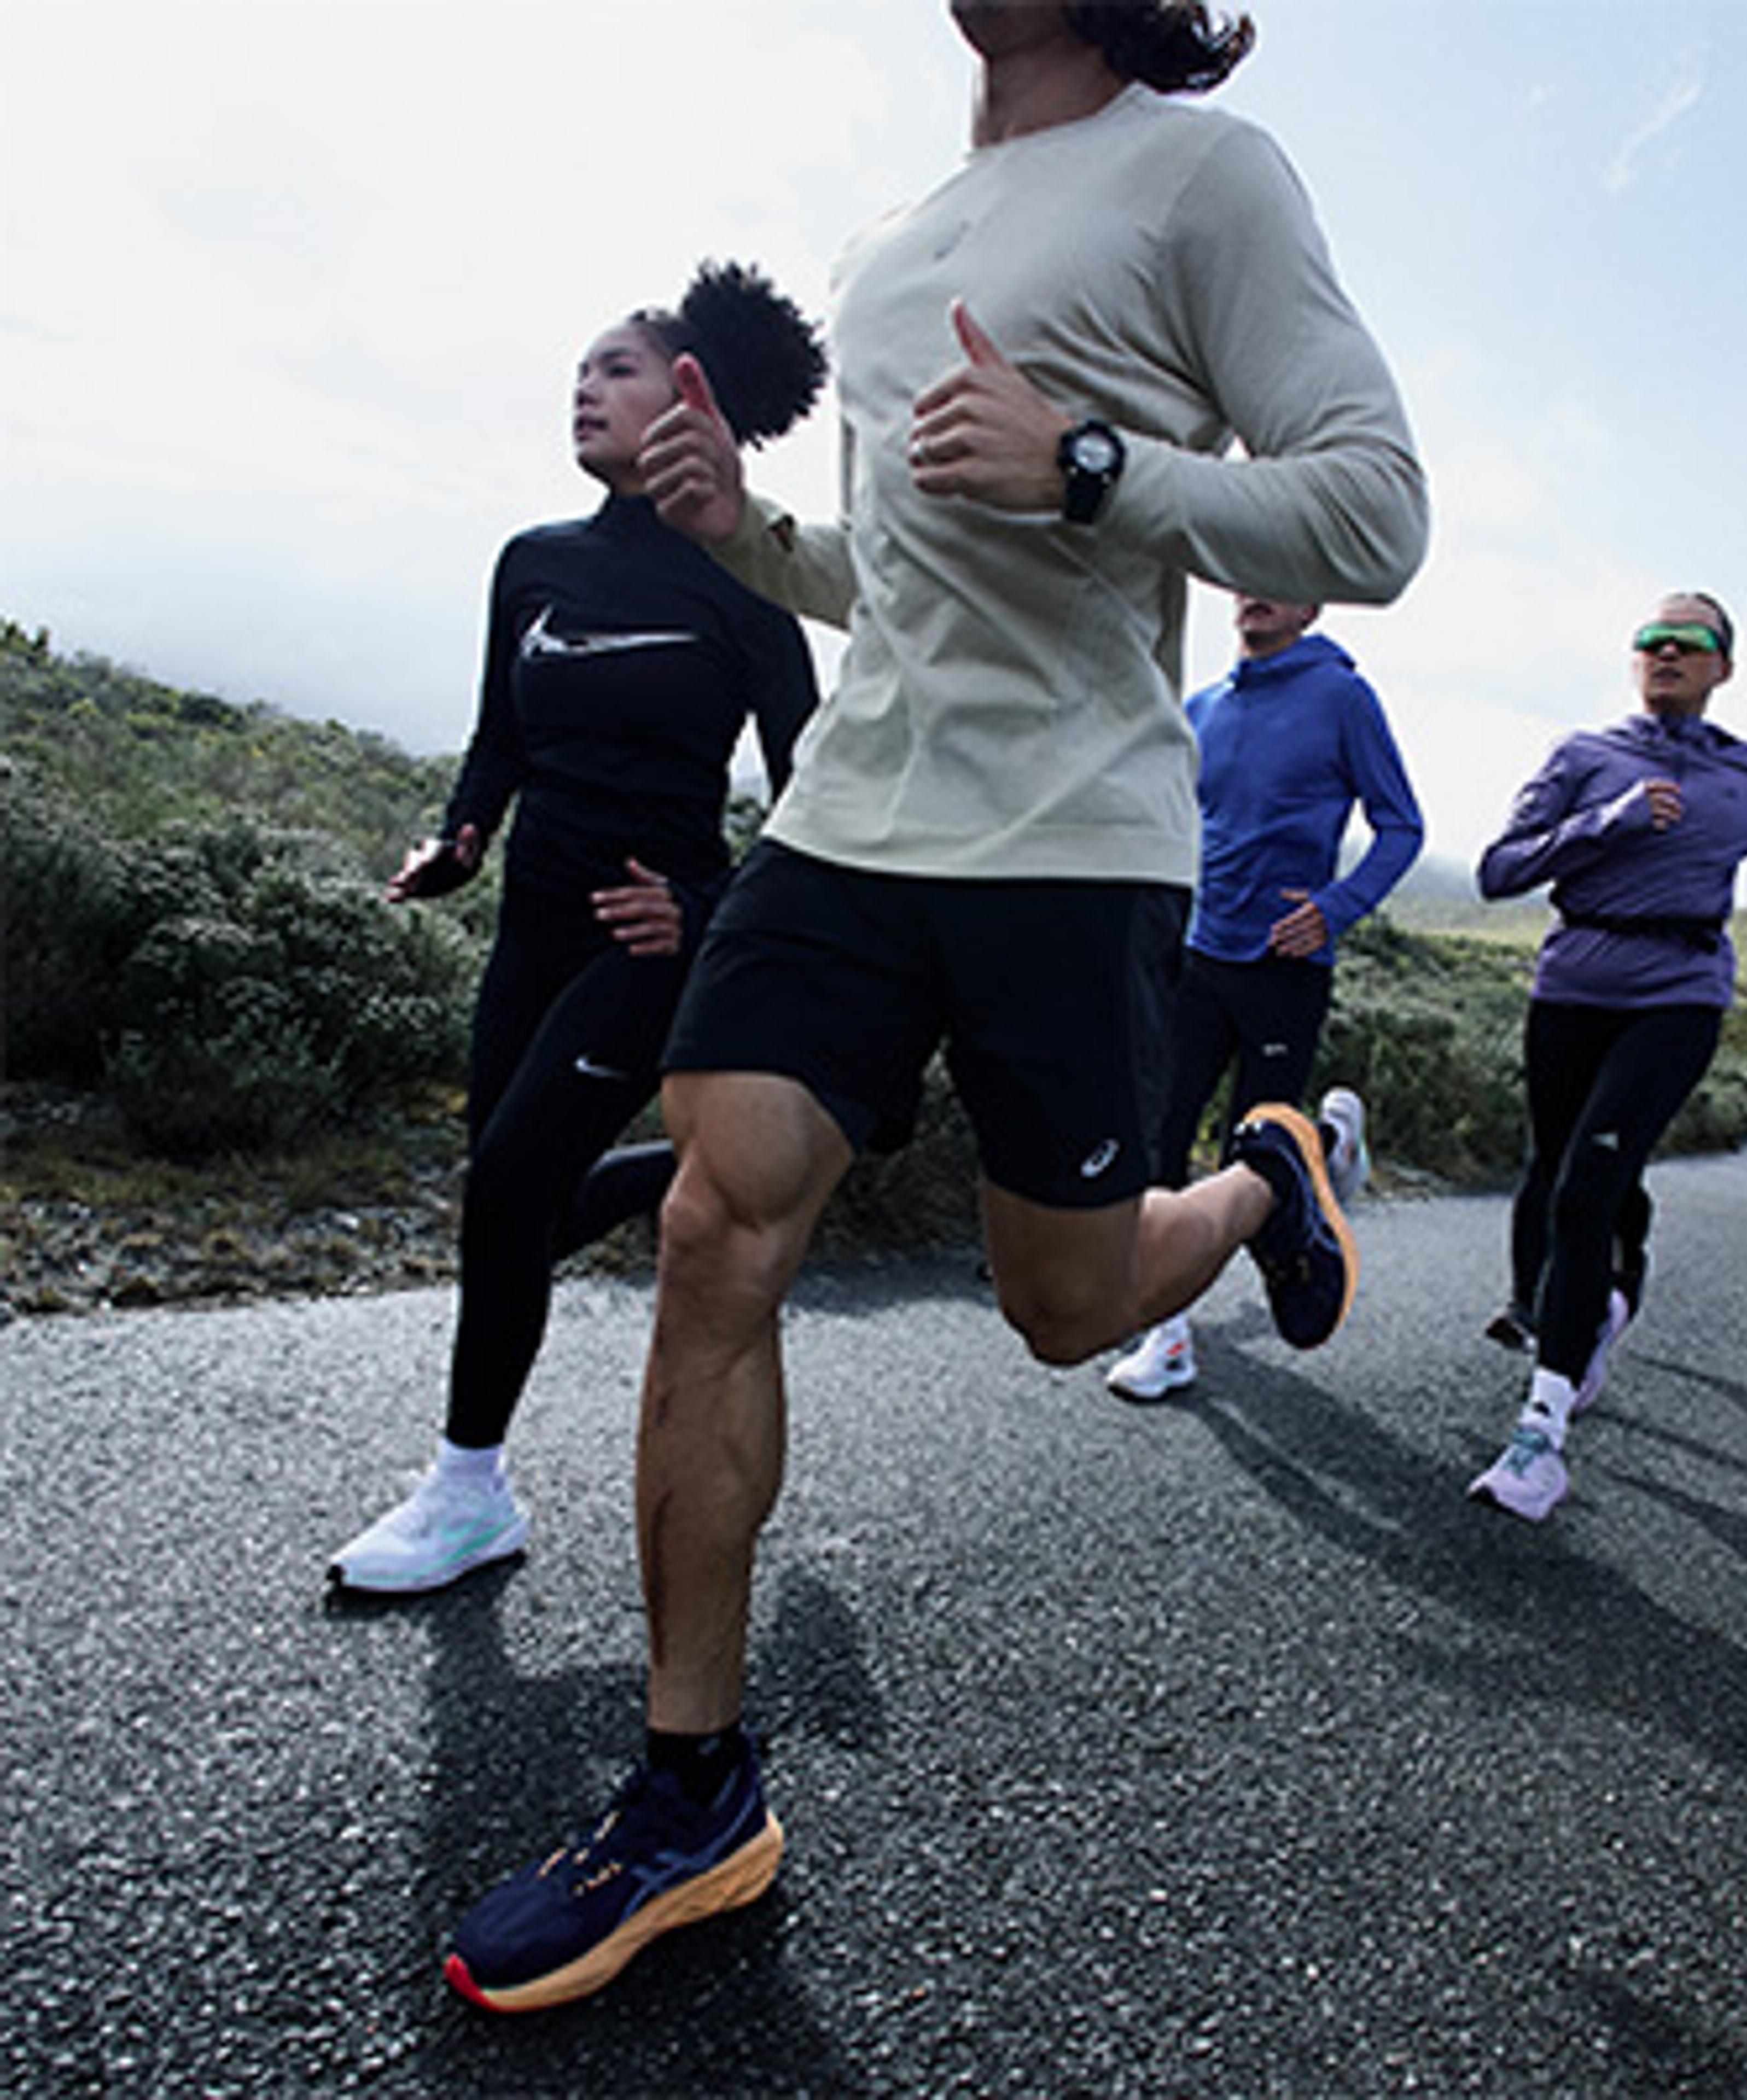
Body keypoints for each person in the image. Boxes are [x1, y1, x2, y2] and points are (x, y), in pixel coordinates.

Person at [441, 0, 1429, 2014]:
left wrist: (1093, 465)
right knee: (721, 1223)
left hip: (1074, 832)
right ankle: (693, 1791)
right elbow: (906, 577)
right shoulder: (897, 237)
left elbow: (1374, 510)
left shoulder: (1199, 173)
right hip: (855, 813)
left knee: (1066, 1308)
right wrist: (753, 537)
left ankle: (1265, 1170)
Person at [327, 265, 824, 1594]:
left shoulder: (752, 584)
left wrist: (706, 911)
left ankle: (467, 1491)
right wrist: (461, 832)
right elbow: (500, 735)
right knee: (511, 1206)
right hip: (531, 932)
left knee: (506, 1194)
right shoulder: (532, 564)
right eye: (578, 376)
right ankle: (709, 1177)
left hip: (645, 944)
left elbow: (822, 794)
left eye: (616, 368)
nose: (586, 390)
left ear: (692, 396)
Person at [1468, 591, 1747, 1523]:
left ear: (1721, 668)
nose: (1664, 653)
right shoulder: (1584, 757)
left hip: (1680, 992)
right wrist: (1607, 820)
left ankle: (1541, 1438)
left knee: (1586, 1190)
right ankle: (1601, 1302)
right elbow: (1500, 870)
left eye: (1686, 643)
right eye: (1650, 641)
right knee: (1564, 1171)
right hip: (1572, 987)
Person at [1106, 590, 1424, 1401]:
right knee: (1160, 1138)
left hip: (1286, 961)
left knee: (1255, 1155)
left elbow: (1402, 826)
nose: (1256, 588)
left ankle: (1327, 1148)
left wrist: (1336, 909)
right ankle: (1167, 1333)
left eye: (1279, 575)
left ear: (1312, 605)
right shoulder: (1202, 707)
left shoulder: (1343, 698)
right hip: (1195, 958)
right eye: (1245, 572)